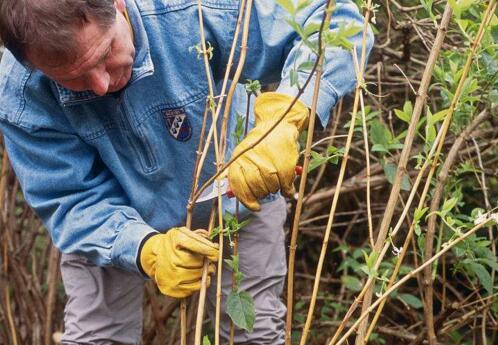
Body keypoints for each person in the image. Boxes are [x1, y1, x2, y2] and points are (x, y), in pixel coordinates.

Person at [0, 0, 373, 343]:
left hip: (237, 194)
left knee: (251, 333)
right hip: (112, 221)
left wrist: (286, 118)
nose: (100, 85)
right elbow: (70, 198)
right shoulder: (18, 93)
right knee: (98, 336)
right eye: (74, 78)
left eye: (106, 53)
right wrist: (145, 250)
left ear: (116, 6)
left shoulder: (188, 8)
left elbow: (336, 22)